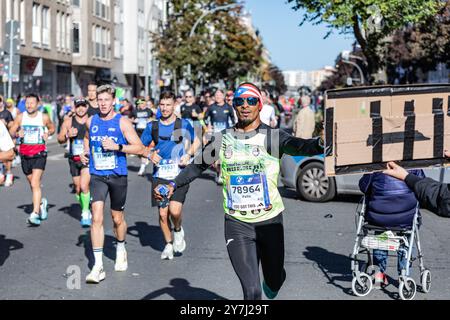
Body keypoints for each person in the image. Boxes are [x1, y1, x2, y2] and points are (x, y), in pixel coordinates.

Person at [154, 82, 324, 300]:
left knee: (273, 282)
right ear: (234, 106)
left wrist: (321, 142)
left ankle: (275, 277)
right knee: (252, 291)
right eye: (239, 101)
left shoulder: (272, 137)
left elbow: (302, 146)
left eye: (251, 100)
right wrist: (172, 185)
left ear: (259, 105)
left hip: (270, 221)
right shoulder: (222, 139)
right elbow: (197, 166)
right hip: (237, 224)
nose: (245, 105)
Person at [80, 84, 144, 283]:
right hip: (98, 175)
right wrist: (85, 153)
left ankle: (121, 246)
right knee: (96, 217)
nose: (103, 104)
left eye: (107, 100)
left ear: (113, 101)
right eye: (100, 100)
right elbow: (87, 138)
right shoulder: (92, 120)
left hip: (118, 176)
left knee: (117, 218)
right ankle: (98, 266)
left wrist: (117, 146)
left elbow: (140, 148)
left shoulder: (122, 122)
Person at [142, 91, 200, 260]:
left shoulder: (183, 123)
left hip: (179, 174)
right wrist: (149, 153)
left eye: (168, 105)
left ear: (174, 105)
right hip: (160, 174)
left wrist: (188, 154)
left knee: (174, 211)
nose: (165, 108)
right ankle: (168, 244)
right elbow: (140, 146)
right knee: (162, 213)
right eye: (162, 105)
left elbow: (197, 140)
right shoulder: (152, 126)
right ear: (158, 105)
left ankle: (178, 229)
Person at [359, 169, 424, 288]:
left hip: (379, 217)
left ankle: (379, 274)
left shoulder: (375, 165)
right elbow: (422, 186)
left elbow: (364, 186)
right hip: (406, 218)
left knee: (380, 239)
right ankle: (403, 274)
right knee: (406, 239)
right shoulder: (415, 166)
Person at [9, 94, 55, 226]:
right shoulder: (20, 117)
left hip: (40, 153)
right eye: (27, 103)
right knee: (32, 184)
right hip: (25, 154)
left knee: (35, 182)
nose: (29, 105)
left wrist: (48, 133)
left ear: (38, 104)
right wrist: (17, 133)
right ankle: (41, 203)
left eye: (32, 103)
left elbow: (52, 128)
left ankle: (35, 213)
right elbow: (11, 131)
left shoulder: (44, 117)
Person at [57, 98, 92, 227]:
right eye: (78, 106)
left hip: (87, 158)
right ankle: (86, 204)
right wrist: (67, 135)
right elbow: (59, 139)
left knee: (83, 186)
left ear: (87, 107)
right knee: (77, 188)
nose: (81, 109)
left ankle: (85, 212)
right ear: (74, 108)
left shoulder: (92, 121)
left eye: (83, 106)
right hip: (74, 158)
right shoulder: (68, 122)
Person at [383, 155, 450, 217]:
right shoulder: (415, 170)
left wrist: (407, 177)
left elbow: (441, 199)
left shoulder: (379, 170)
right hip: (406, 219)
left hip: (378, 219)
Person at [204, 89, 236, 185]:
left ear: (223, 96)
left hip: (226, 135)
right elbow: (204, 119)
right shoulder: (211, 107)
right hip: (215, 135)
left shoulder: (228, 107)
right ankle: (219, 172)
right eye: (216, 95)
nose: (218, 97)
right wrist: (208, 126)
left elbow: (233, 120)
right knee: (217, 157)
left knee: (224, 156)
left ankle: (222, 174)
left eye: (220, 95)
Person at [132, 98, 154, 176]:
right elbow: (131, 119)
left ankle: (142, 168)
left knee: (143, 149)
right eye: (139, 104)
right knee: (138, 150)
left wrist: (150, 121)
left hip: (146, 132)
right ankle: (147, 157)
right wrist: (134, 121)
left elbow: (153, 118)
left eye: (142, 103)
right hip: (138, 131)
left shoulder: (149, 111)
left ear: (145, 103)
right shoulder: (135, 111)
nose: (140, 105)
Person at [0, 96, 15, 186]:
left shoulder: (6, 113)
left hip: (5, 138)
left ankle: (9, 173)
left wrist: (14, 138)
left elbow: (12, 126)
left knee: (7, 159)